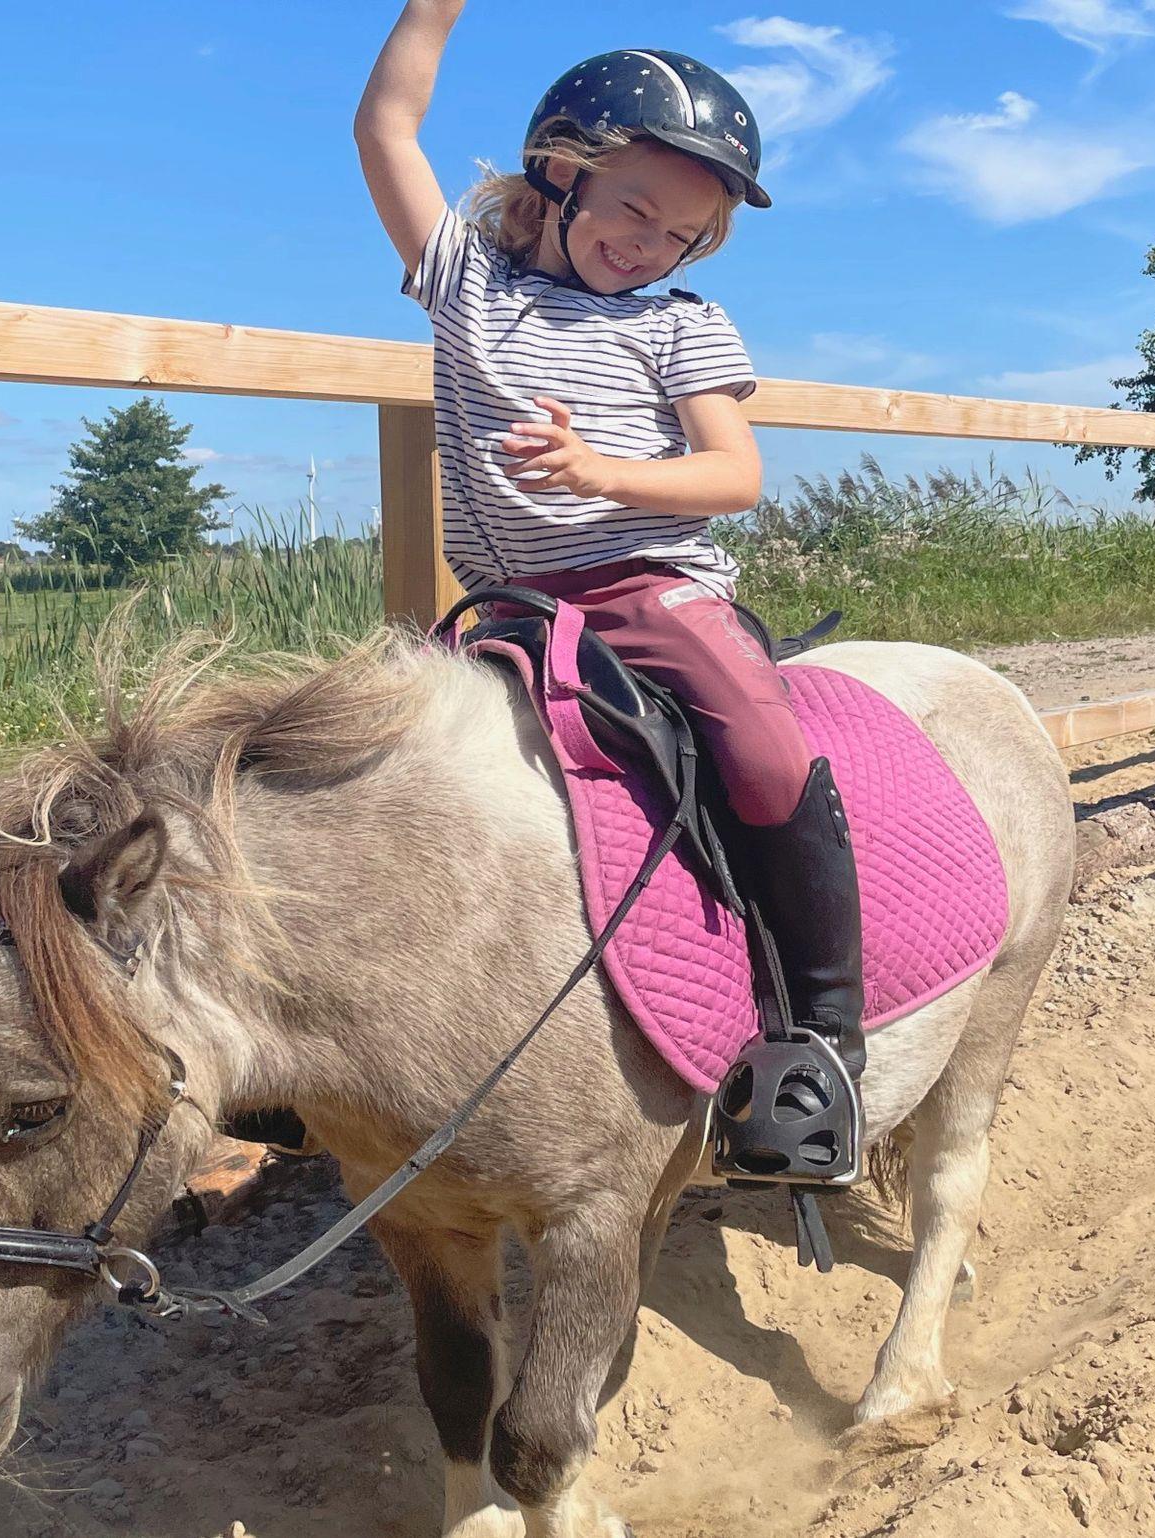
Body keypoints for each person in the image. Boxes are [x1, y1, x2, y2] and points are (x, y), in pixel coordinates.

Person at [354, 2, 865, 1182]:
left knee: (763, 748)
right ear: (559, 172)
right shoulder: (466, 286)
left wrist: (601, 472)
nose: (650, 246)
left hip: (648, 583)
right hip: (508, 602)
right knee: (372, 766)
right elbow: (386, 125)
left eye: (681, 233)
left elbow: (733, 475)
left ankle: (817, 1040)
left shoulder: (680, 327)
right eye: (633, 208)